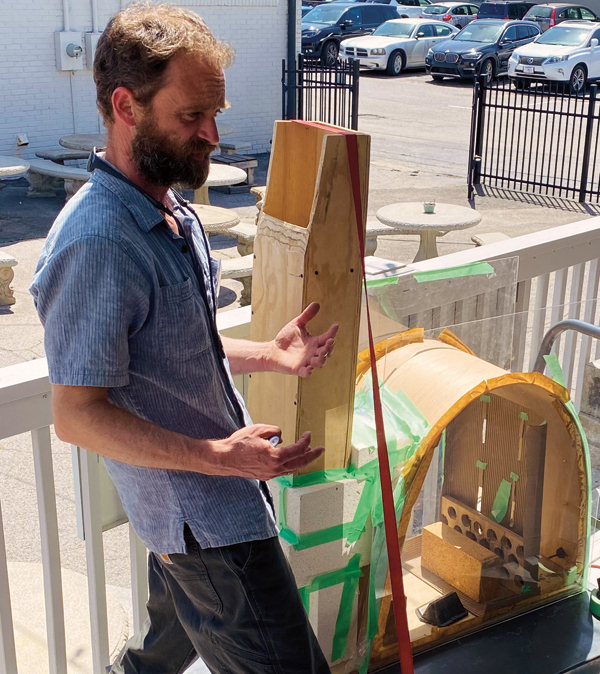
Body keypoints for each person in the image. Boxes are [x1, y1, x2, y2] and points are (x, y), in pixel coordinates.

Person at [30, 3, 337, 673]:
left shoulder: (168, 208)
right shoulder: (97, 243)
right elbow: (76, 416)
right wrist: (221, 457)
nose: (213, 134)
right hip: (209, 531)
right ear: (126, 106)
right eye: (192, 116)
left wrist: (272, 357)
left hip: (203, 508)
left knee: (156, 657)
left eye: (215, 112)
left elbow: (173, 349)